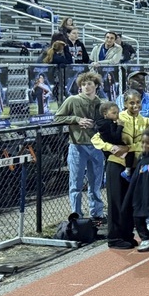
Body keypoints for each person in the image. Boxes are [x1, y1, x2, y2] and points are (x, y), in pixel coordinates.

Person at [94, 89, 149, 249]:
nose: (135, 105)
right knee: (116, 202)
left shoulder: (145, 121)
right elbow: (97, 139)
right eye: (131, 102)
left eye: (138, 102)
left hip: (134, 165)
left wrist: (132, 149)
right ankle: (114, 238)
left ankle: (127, 235)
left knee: (129, 203)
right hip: (116, 164)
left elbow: (145, 143)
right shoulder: (117, 118)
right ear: (125, 104)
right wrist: (111, 148)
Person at [55, 71, 105, 223]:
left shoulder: (101, 103)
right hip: (77, 146)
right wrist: (76, 119)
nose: (86, 87)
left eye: (89, 84)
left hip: (97, 146)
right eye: (83, 84)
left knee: (96, 183)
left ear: (96, 85)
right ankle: (76, 215)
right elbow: (57, 117)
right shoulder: (73, 100)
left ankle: (97, 213)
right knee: (75, 183)